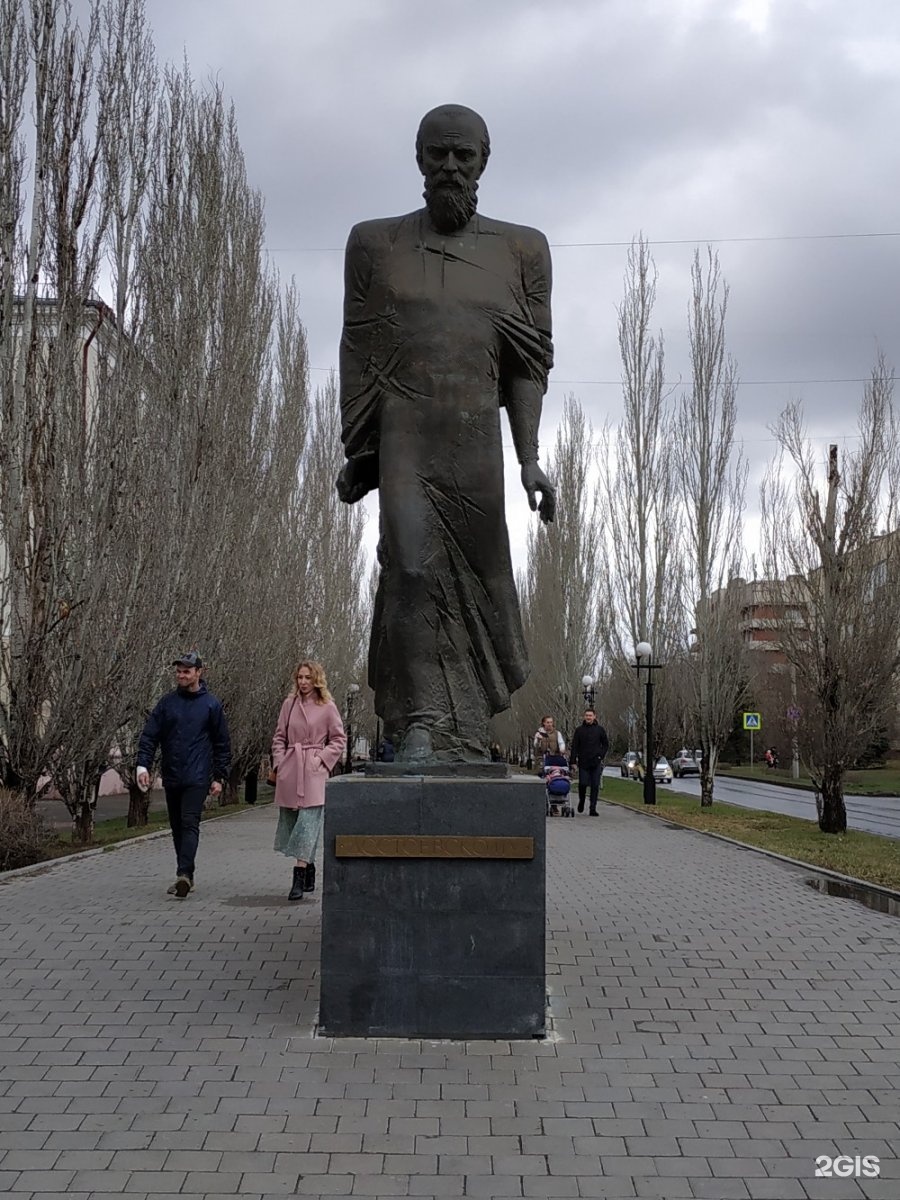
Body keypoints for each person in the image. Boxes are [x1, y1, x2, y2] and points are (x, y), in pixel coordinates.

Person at [336, 104, 556, 764]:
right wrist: (362, 452)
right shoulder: (374, 244)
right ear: (419, 160)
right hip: (406, 431)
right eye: (439, 154)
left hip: (475, 445)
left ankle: (461, 726)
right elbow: (360, 353)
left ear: (484, 160)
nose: (451, 165)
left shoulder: (523, 250)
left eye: (464, 154)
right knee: (408, 567)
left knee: (483, 582)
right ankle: (420, 722)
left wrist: (530, 460)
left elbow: (527, 366)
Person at [136, 652, 231, 899]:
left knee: (190, 822)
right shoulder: (167, 704)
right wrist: (142, 766)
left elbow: (222, 743)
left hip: (198, 777)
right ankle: (186, 875)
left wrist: (219, 777)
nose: (181, 675)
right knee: (177, 827)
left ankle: (184, 874)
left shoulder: (211, 705)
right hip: (172, 774)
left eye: (186, 671)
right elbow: (149, 736)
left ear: (199, 672)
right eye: (178, 671)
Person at [271, 661, 347, 901]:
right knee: (293, 823)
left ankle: (298, 877)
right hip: (291, 770)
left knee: (308, 824)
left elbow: (338, 739)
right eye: (300, 677)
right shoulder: (288, 705)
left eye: (307, 677)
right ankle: (310, 866)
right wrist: (280, 763)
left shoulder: (327, 707)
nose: (303, 682)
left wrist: (321, 759)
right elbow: (279, 737)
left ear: (316, 680)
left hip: (314, 771)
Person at [569, 708, 610, 816]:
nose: (588, 717)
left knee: (595, 785)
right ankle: (582, 800)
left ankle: (593, 808)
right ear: (584, 717)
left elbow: (605, 744)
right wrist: (573, 761)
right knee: (582, 784)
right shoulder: (579, 730)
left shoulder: (600, 730)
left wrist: (601, 755)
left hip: (595, 762)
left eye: (590, 715)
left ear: (594, 717)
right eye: (586, 715)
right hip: (583, 762)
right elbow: (574, 747)